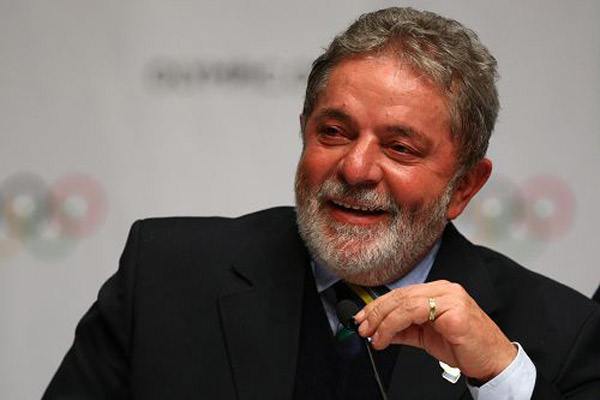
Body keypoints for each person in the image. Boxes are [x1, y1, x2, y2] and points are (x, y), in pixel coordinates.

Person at [43, 7, 600, 400]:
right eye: (334, 132)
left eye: (399, 147)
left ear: (464, 187)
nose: (355, 169)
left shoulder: (558, 334)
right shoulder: (165, 273)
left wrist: (500, 381)